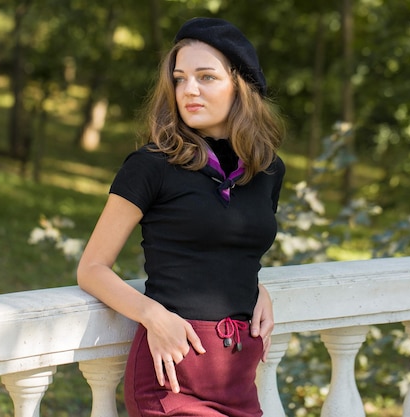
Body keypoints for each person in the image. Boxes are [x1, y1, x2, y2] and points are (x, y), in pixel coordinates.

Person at [77, 16, 286, 417]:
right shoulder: (150, 165)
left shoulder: (268, 170)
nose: (188, 90)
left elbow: (234, 246)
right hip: (172, 371)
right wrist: (154, 316)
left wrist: (256, 288)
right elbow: (92, 268)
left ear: (240, 86)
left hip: (238, 371)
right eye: (180, 78)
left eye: (206, 77)